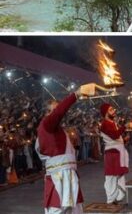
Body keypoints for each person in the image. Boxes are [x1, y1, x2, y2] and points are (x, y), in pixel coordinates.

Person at [37, 83, 100, 214]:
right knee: (57, 208)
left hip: (68, 172)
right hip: (59, 174)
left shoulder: (56, 128)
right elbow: (59, 112)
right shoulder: (47, 124)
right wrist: (75, 95)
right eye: (54, 110)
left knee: (75, 208)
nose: (58, 113)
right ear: (48, 112)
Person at [98, 103, 129, 204]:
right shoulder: (105, 123)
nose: (114, 111)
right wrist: (125, 127)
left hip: (117, 152)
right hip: (112, 153)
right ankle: (111, 199)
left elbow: (116, 138)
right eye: (111, 110)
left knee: (116, 175)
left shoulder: (111, 122)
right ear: (106, 112)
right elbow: (115, 135)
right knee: (111, 176)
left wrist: (124, 140)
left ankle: (115, 197)